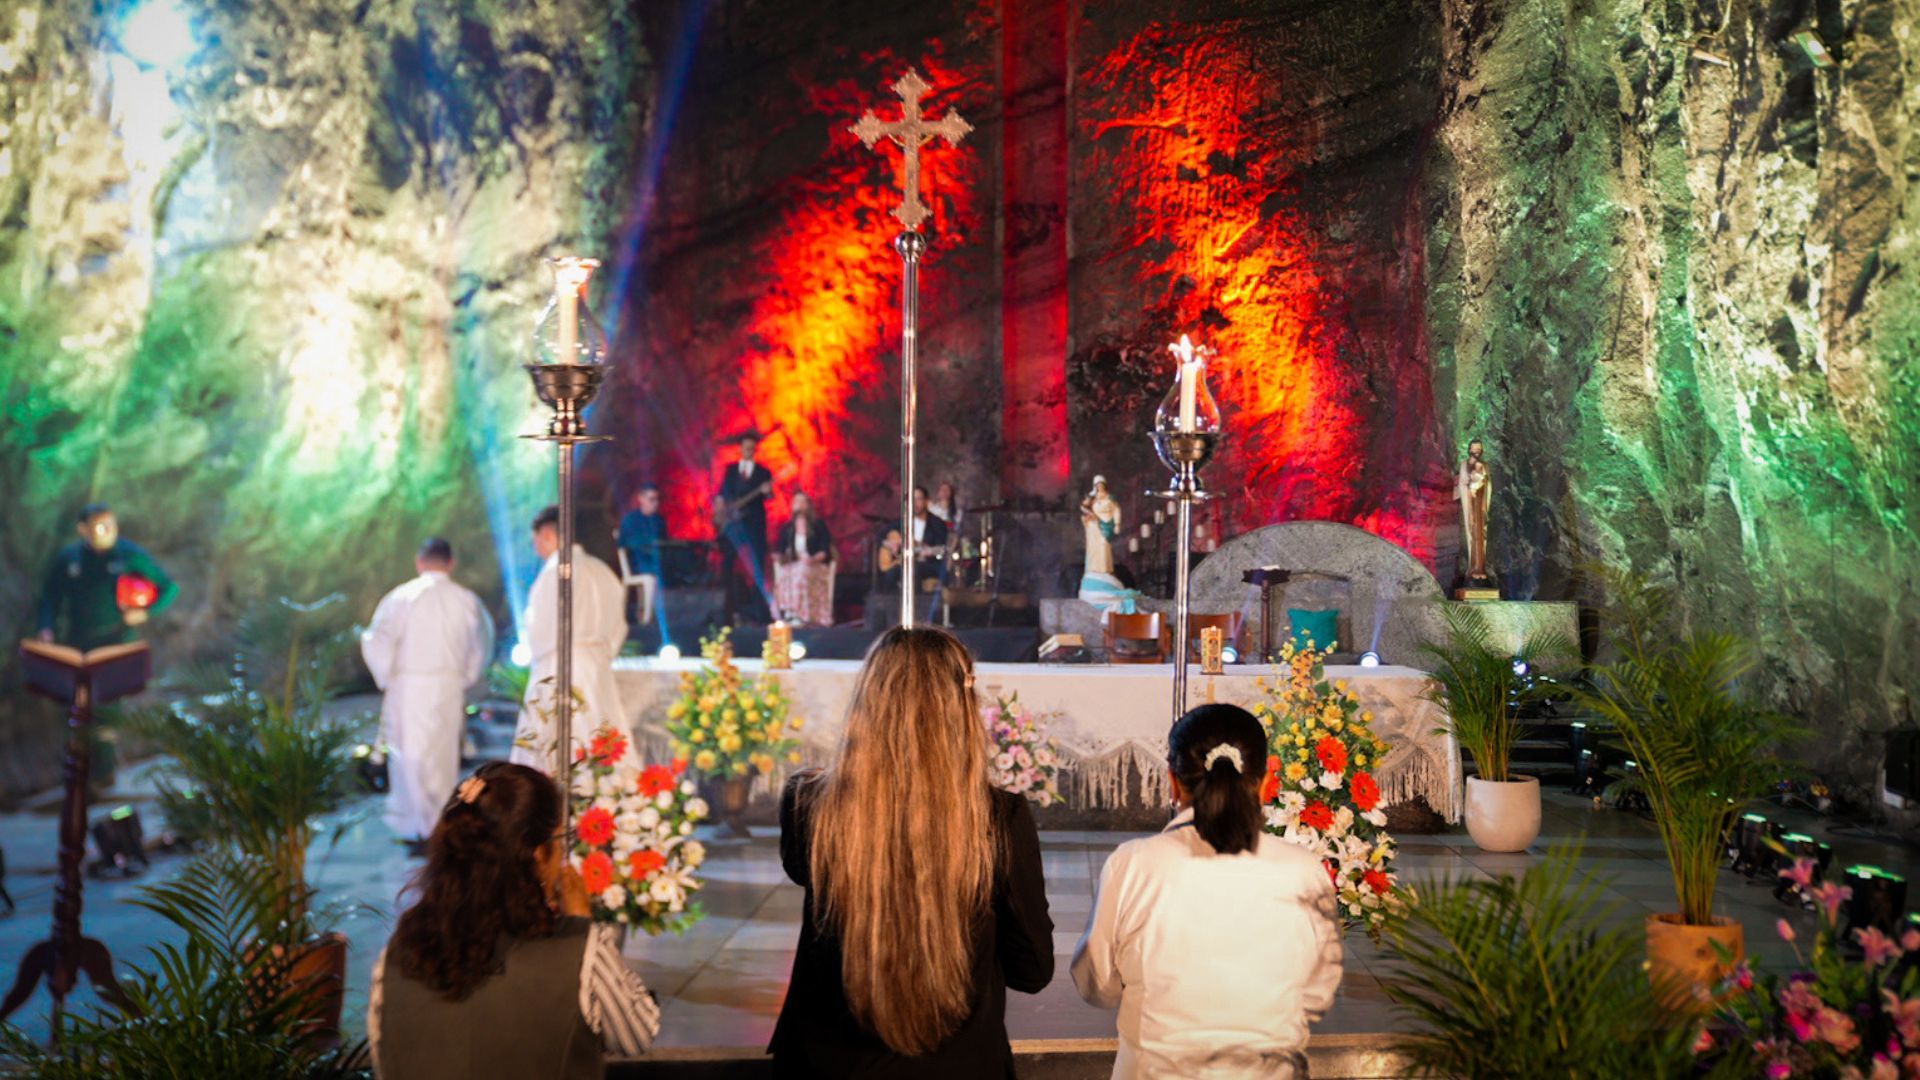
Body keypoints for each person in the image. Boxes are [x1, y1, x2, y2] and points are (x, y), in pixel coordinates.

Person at [772, 627, 1052, 1076]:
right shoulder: (998, 817)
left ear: (866, 700)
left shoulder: (807, 804)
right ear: (961, 707)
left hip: (828, 1064)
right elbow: (1031, 971)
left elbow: (801, 869)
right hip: (960, 1065)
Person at [1070, 704, 1343, 1079]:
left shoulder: (1133, 864)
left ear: (1172, 780)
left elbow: (1097, 984)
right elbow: (1318, 992)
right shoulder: (1304, 870)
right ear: (1266, 780)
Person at [369, 761, 660, 1078]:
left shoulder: (397, 954)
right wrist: (580, 922)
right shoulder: (577, 952)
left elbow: (385, 1061)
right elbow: (636, 1036)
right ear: (539, 855)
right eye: (560, 839)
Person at [361, 538, 494, 846]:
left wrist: (386, 675)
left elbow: (377, 639)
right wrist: (465, 677)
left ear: (419, 562)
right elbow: (480, 645)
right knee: (442, 755)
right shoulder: (467, 600)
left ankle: (415, 826)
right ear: (451, 563)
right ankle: (440, 823)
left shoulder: (402, 596)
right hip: (448, 686)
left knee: (409, 755)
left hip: (410, 686)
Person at [511, 506, 629, 773]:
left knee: (559, 741)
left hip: (559, 665)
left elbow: (540, 629)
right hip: (598, 666)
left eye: (535, 540)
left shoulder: (556, 571)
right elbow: (619, 627)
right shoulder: (602, 571)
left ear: (548, 534)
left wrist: (536, 655)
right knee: (602, 735)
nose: (536, 548)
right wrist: (600, 655)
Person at [36, 503, 178, 650]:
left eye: (111, 525)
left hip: (119, 638)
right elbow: (50, 596)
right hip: (77, 639)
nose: (109, 530)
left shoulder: (129, 555)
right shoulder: (70, 557)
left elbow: (169, 587)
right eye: (101, 526)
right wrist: (45, 627)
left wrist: (145, 612)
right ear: (83, 529)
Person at [715, 432, 775, 624]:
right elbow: (721, 494)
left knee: (757, 566)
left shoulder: (763, 472)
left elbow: (770, 496)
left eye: (751, 447)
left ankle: (759, 613)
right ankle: (727, 611)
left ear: (755, 449)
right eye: (745, 446)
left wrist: (767, 492)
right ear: (740, 448)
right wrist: (720, 512)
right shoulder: (731, 470)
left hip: (755, 525)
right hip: (733, 525)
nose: (748, 450)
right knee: (728, 565)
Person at [773, 492, 835, 626]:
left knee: (801, 572)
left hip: (815, 565)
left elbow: (825, 551)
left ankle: (803, 615)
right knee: (786, 573)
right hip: (795, 566)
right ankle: (790, 613)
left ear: (808, 505)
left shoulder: (818, 525)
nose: (799, 505)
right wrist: (779, 557)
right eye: (796, 502)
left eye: (802, 502)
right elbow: (781, 551)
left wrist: (811, 560)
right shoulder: (788, 528)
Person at [616, 485, 669, 629]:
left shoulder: (659, 521)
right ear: (641, 499)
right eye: (651, 499)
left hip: (656, 563)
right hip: (637, 564)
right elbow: (624, 544)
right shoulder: (630, 520)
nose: (655, 503)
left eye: (657, 499)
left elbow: (665, 543)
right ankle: (645, 618)